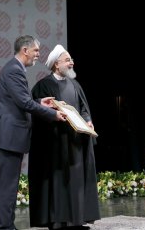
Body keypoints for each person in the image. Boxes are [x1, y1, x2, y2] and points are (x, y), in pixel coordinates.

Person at [0, 35, 66, 230]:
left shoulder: (15, 69)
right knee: (7, 186)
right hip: (7, 136)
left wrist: (41, 102)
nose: (38, 55)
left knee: (9, 185)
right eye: (36, 51)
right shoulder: (14, 70)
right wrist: (53, 114)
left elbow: (21, 100)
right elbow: (24, 103)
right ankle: (3, 227)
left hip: (10, 136)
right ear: (25, 50)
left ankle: (6, 225)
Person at [29, 44, 100, 230]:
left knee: (76, 182)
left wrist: (88, 121)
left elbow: (84, 109)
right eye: (67, 60)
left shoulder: (75, 85)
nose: (71, 63)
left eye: (71, 60)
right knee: (58, 182)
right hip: (55, 144)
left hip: (76, 143)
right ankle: (58, 221)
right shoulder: (43, 86)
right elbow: (37, 112)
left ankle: (76, 220)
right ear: (56, 65)